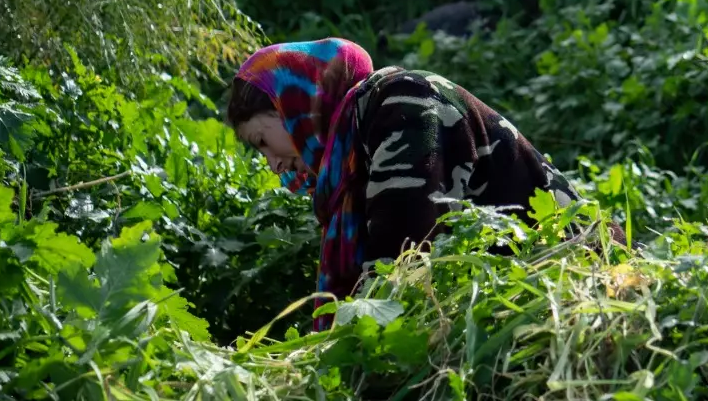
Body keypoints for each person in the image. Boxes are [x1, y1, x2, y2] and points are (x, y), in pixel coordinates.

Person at [227, 37, 578, 327]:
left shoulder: (403, 104)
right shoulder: (356, 147)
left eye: (262, 141)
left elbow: (399, 265)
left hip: (568, 285)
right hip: (523, 296)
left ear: (293, 107)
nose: (273, 164)